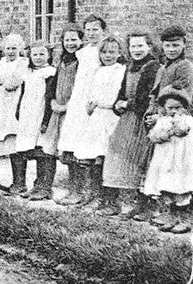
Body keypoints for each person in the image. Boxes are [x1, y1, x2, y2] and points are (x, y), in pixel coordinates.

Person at [101, 29, 160, 218]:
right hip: (127, 118)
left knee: (141, 161)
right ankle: (115, 203)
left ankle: (147, 207)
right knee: (116, 155)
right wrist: (118, 104)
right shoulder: (130, 67)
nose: (136, 50)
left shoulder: (153, 67)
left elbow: (146, 98)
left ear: (149, 46)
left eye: (140, 46)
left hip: (143, 120)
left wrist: (127, 104)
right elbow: (122, 92)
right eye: (133, 46)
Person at [66, 35, 126, 208]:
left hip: (110, 117)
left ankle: (109, 200)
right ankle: (93, 194)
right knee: (91, 158)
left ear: (119, 53)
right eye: (104, 52)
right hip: (96, 117)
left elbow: (116, 95)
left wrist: (101, 103)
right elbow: (92, 93)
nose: (108, 56)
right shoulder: (98, 71)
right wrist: (90, 105)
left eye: (112, 52)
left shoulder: (120, 70)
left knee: (104, 157)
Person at [57, 16, 109, 203]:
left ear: (103, 31)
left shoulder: (105, 51)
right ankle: (76, 191)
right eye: (88, 30)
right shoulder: (82, 52)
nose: (91, 33)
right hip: (78, 103)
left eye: (95, 29)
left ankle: (95, 194)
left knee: (93, 150)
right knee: (71, 144)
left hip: (95, 105)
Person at [141, 88, 193, 234]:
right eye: (170, 108)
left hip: (180, 161)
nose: (174, 111)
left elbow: (182, 131)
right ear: (164, 108)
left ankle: (184, 220)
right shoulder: (162, 121)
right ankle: (171, 217)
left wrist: (177, 124)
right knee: (167, 189)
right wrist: (167, 132)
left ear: (185, 107)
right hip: (164, 161)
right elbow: (153, 137)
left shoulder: (188, 120)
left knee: (180, 189)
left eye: (178, 107)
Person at [41, 24, 82, 201]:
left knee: (71, 151)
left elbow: (82, 89)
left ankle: (76, 190)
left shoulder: (81, 61)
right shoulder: (62, 61)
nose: (70, 43)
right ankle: (44, 187)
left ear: (81, 41)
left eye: (74, 40)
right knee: (50, 150)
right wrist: (52, 101)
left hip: (72, 112)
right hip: (57, 111)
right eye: (67, 40)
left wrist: (68, 106)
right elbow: (53, 85)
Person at [10, 41, 56, 199]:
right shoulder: (28, 73)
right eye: (35, 54)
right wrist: (18, 110)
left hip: (41, 114)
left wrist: (46, 121)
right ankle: (34, 187)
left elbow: (50, 97)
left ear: (49, 55)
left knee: (44, 150)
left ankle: (44, 187)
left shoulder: (50, 73)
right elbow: (23, 93)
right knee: (30, 148)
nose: (38, 57)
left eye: (42, 54)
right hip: (28, 115)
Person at [0, 34, 28, 159]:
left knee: (13, 126)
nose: (10, 51)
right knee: (2, 126)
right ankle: (5, 152)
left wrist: (3, 81)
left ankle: (17, 155)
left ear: (20, 49)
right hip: (1, 100)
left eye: (14, 48)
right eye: (8, 48)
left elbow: (14, 82)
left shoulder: (23, 63)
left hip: (16, 99)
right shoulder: (2, 63)